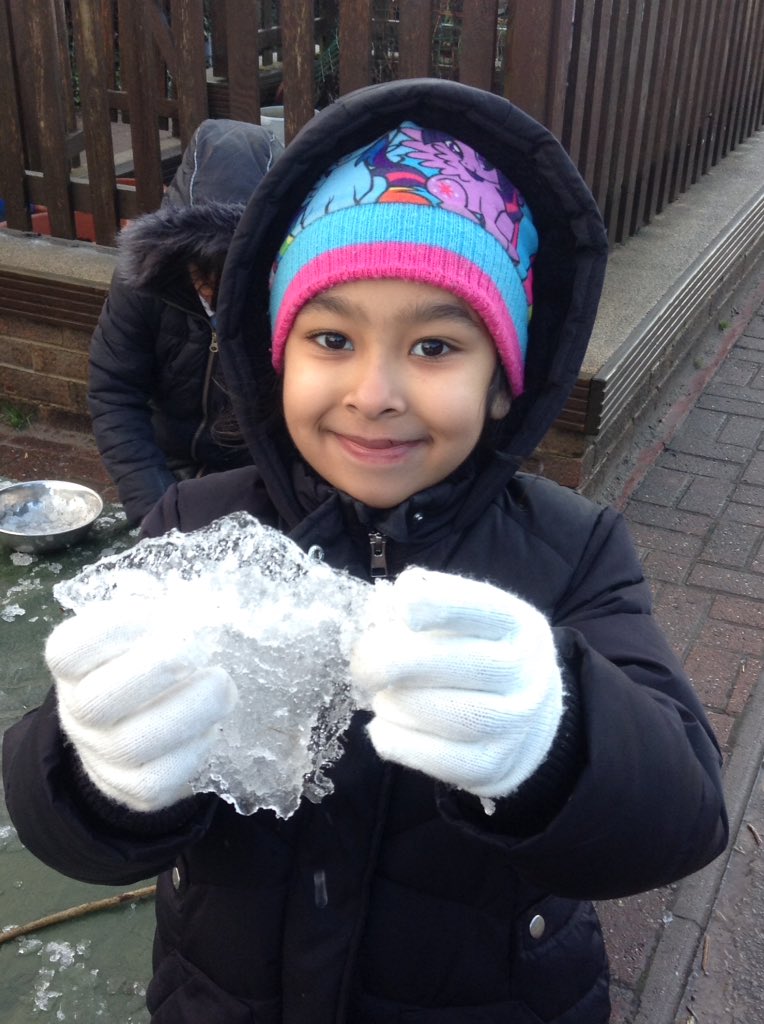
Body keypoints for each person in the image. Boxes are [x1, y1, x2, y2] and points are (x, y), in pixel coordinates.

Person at [3, 80, 728, 1023]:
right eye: (333, 338)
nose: (375, 391)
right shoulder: (193, 528)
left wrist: (557, 739)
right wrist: (96, 770)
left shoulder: (572, 551)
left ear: (505, 381)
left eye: (434, 348)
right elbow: (63, 828)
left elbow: (681, 819)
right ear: (276, 355)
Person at [87, 117, 283, 524]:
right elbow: (114, 392)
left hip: (261, 478)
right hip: (167, 468)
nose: (216, 286)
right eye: (203, 264)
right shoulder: (144, 283)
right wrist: (153, 509)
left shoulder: (291, 294)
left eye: (234, 263)